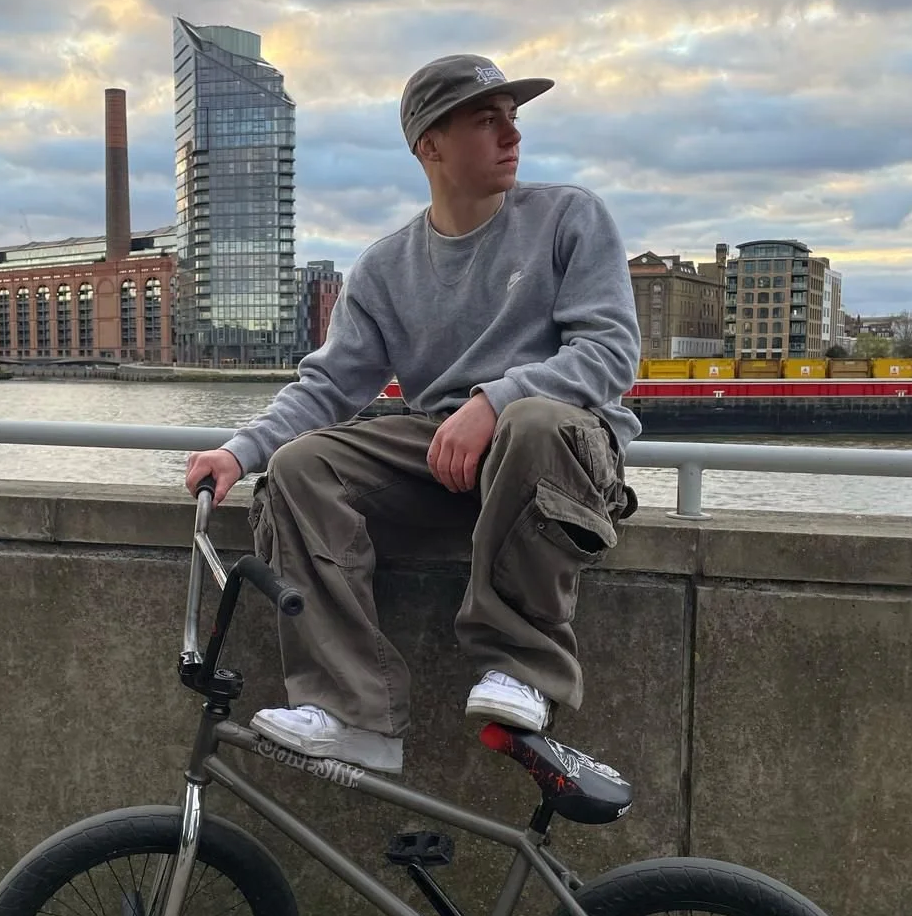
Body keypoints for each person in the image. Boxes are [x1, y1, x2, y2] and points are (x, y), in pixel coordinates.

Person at [185, 53, 641, 776]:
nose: (510, 134)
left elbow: (612, 354)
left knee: (531, 421)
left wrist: (496, 400)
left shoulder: (569, 218)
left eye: (512, 119)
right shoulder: (385, 267)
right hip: (448, 466)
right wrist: (241, 453)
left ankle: (524, 669)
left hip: (562, 457)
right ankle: (354, 712)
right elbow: (329, 385)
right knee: (302, 467)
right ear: (430, 145)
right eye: (485, 121)